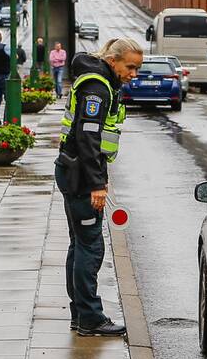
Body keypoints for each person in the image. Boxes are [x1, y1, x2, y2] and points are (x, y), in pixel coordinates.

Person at [55, 37, 142, 336]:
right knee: (90, 246)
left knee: (79, 243)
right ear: (113, 60)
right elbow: (88, 138)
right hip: (81, 175)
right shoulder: (97, 87)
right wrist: (97, 185)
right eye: (130, 67)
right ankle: (90, 317)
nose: (134, 74)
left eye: (137, 68)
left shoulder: (98, 80)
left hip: (72, 169)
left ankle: (80, 314)